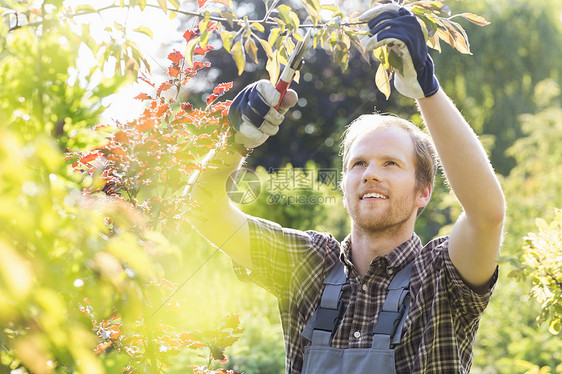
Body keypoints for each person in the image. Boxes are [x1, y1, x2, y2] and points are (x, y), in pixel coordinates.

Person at [189, 4, 505, 373]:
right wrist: (233, 145)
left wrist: (426, 91)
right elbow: (202, 209)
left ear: (424, 191)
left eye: (391, 163)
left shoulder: (441, 275)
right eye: (359, 164)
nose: (371, 174)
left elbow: (487, 215)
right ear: (344, 186)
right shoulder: (308, 265)